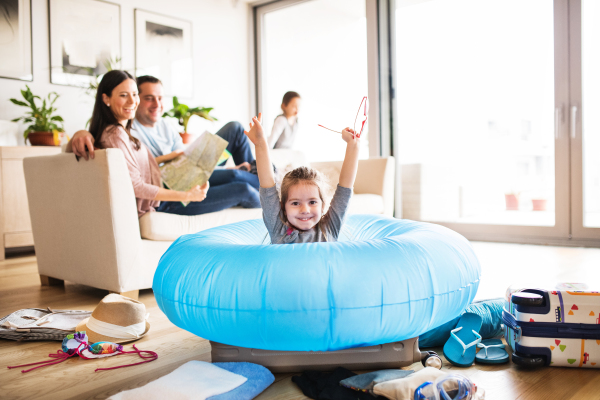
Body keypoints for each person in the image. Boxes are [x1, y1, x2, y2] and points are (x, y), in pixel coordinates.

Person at [66, 70, 259, 217]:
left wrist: (175, 156)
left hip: (172, 181)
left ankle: (269, 183)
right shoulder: (116, 133)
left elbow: (135, 167)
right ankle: (275, 197)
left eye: (134, 95)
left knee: (236, 173)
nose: (132, 101)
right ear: (106, 99)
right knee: (241, 187)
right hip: (162, 200)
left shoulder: (123, 130)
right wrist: (186, 196)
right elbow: (136, 185)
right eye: (124, 95)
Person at [244, 112, 360, 244]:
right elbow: (267, 186)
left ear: (322, 206)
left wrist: (353, 145)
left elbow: (345, 189)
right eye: (295, 203)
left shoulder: (329, 228)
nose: (305, 210)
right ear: (283, 208)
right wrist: (260, 143)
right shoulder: (278, 230)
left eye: (312, 202)